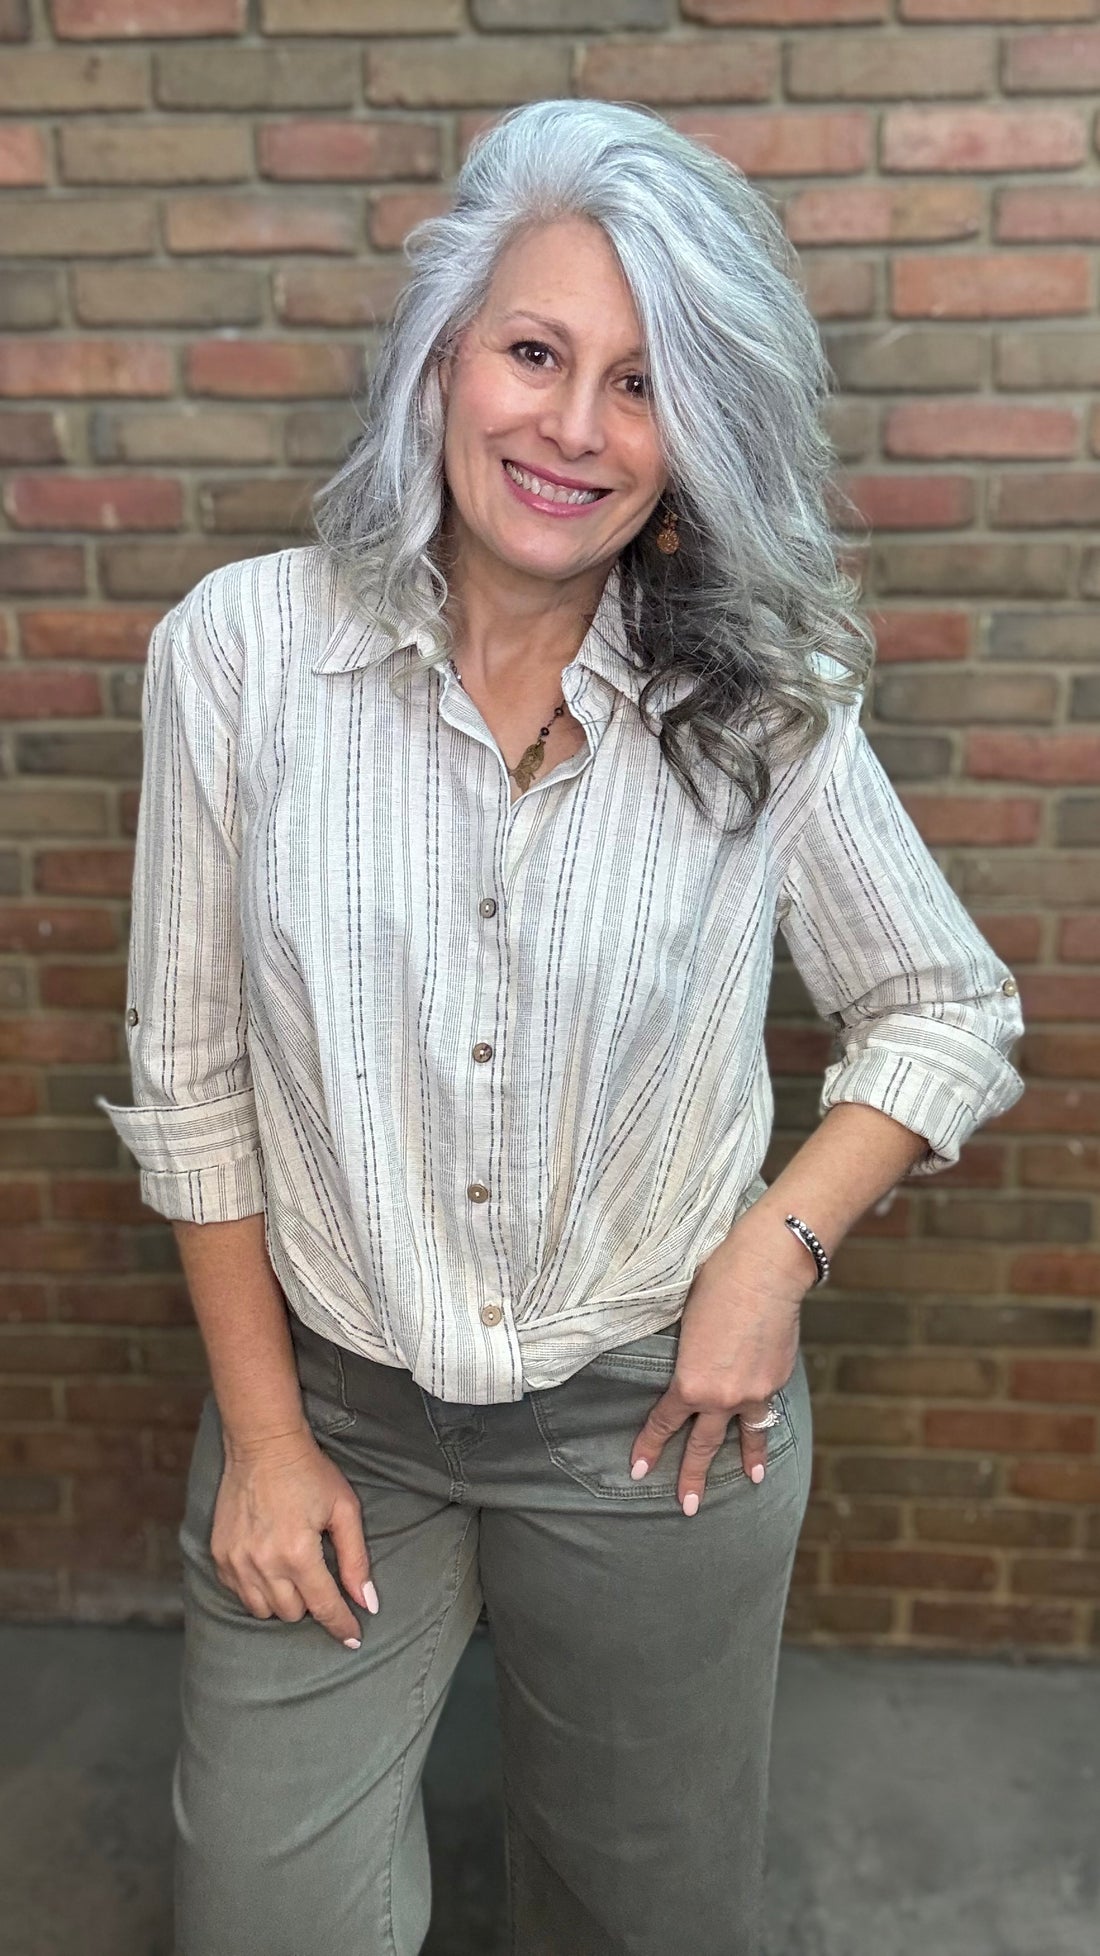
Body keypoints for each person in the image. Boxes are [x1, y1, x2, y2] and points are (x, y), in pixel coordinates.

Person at [95, 98, 1026, 1956]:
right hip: (331, 1411)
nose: (572, 428)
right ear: (444, 362)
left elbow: (945, 1001)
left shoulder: (766, 707)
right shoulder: (241, 653)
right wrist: (266, 1444)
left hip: (659, 1428)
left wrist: (773, 1249)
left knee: (642, 1912)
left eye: (641, 381)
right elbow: (192, 1084)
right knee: (265, 1917)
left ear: (692, 444)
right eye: (535, 353)